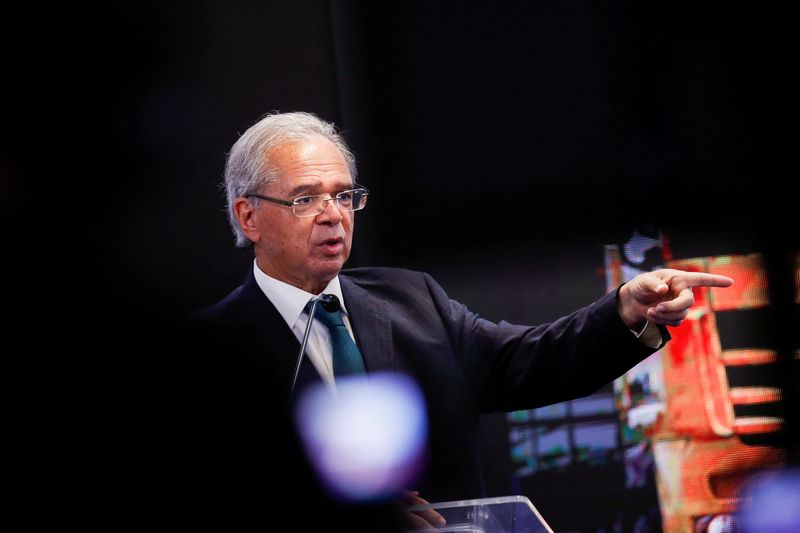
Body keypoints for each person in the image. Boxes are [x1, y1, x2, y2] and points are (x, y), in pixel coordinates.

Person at [191, 111, 732, 518]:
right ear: (249, 216)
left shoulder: (411, 300)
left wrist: (625, 311)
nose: (333, 216)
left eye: (344, 196)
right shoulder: (209, 352)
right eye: (306, 199)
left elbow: (529, 359)